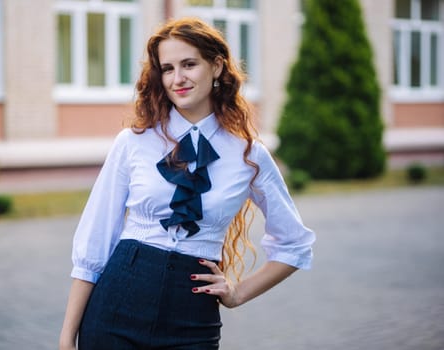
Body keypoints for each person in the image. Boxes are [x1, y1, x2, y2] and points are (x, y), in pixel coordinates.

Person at [59, 17, 315, 350]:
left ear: (217, 66)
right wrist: (67, 338)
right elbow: (94, 243)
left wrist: (237, 293)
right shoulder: (133, 142)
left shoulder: (249, 155)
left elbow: (294, 244)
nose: (177, 79)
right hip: (117, 306)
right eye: (167, 68)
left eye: (189, 64)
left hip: (192, 319)